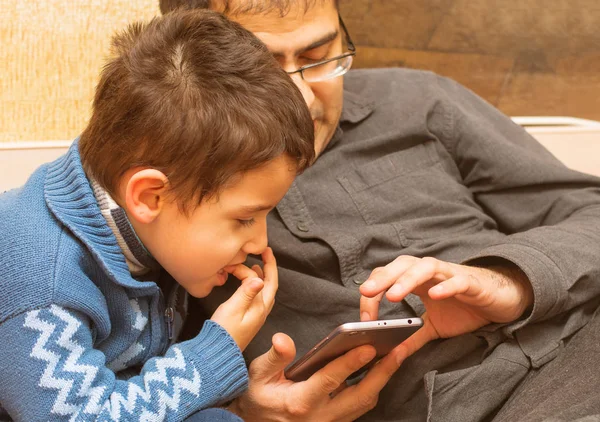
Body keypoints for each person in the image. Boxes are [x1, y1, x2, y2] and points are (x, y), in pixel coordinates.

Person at [159, 1, 600, 421]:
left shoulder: (419, 100)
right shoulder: (163, 199)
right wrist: (242, 415)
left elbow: (591, 212)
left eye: (318, 56)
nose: (303, 100)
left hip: (578, 344)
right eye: (261, 70)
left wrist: (510, 280)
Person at [0, 9, 317, 422]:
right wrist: (217, 349)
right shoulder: (42, 284)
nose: (261, 241)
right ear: (149, 196)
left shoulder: (149, 223)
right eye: (244, 219)